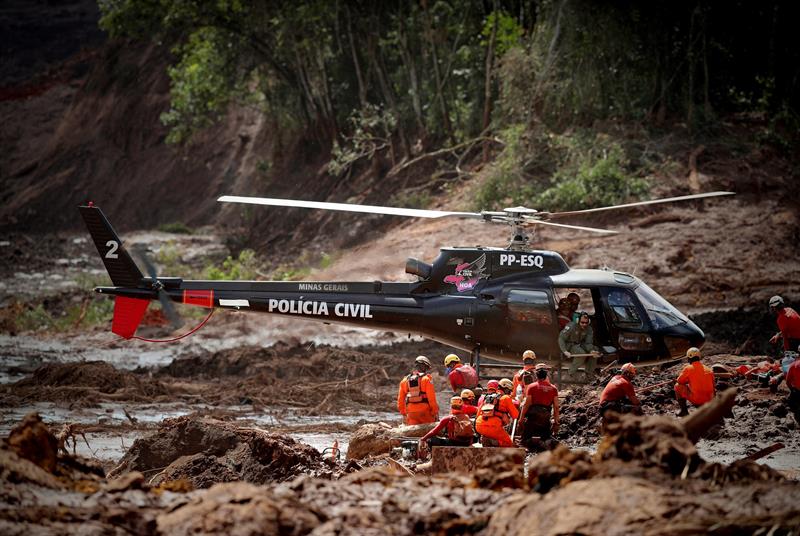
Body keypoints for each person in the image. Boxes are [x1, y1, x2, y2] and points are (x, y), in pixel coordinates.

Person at [520, 364, 559, 449]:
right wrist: (556, 423)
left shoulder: (531, 387)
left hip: (532, 419)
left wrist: (521, 418)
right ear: (546, 374)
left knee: (524, 441)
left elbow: (527, 404)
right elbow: (556, 407)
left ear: (536, 374)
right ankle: (544, 442)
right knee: (546, 436)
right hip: (545, 419)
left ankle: (534, 443)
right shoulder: (553, 388)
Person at [475, 378, 519, 447]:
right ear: (506, 389)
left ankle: (488, 438)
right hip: (494, 427)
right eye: (510, 391)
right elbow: (515, 415)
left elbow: (478, 414)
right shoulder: (506, 398)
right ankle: (492, 441)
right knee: (509, 444)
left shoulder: (487, 397)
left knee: (494, 434)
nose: (510, 393)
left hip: (479, 425)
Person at [397, 355, 439, 425]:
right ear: (425, 367)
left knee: (414, 434)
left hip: (411, 413)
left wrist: (404, 413)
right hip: (425, 413)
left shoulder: (404, 381)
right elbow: (432, 399)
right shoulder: (426, 379)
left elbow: (400, 400)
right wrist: (434, 412)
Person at [674, 347, 715, 416]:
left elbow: (679, 381)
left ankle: (684, 411)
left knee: (677, 386)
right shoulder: (708, 369)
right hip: (709, 400)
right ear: (699, 357)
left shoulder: (688, 368)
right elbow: (713, 386)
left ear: (689, 358)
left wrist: (687, 381)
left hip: (698, 400)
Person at [559, 312, 600, 377]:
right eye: (582, 322)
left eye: (586, 323)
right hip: (570, 345)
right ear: (578, 321)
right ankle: (570, 373)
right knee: (581, 353)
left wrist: (591, 351)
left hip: (580, 344)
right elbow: (561, 339)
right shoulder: (571, 326)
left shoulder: (589, 329)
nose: (584, 324)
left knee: (595, 350)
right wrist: (565, 351)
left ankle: (588, 373)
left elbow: (588, 343)